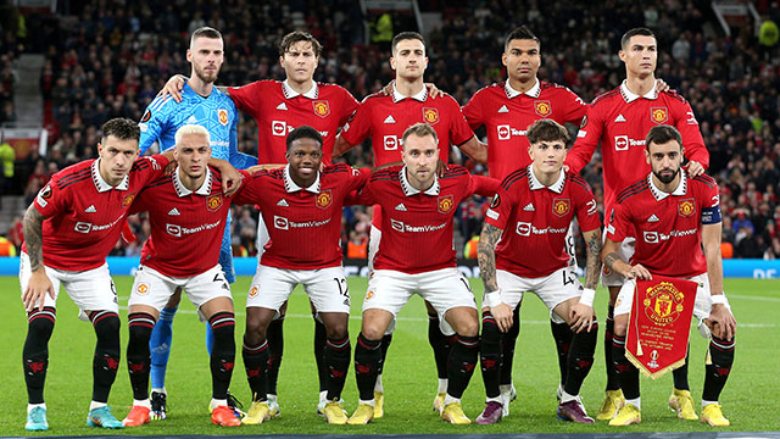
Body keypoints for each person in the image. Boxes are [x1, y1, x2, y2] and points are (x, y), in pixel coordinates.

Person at [161, 31, 360, 414]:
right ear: (282, 59)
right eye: (294, 54)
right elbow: (215, 89)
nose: (301, 60)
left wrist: (335, 152)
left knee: (325, 312)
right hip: (275, 208)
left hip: (321, 208)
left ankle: (327, 397)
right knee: (273, 311)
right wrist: (182, 80)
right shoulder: (263, 92)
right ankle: (268, 398)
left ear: (316, 60)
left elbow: (370, 115)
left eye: (307, 54)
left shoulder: (336, 97)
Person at [333, 31, 487, 416]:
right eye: (405, 53)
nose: (412, 58)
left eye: (418, 52)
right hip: (385, 226)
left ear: (427, 61)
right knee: (379, 322)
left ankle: (444, 391)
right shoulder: (374, 105)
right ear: (393, 62)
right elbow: (336, 148)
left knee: (442, 315)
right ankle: (375, 392)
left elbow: (477, 152)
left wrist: (528, 157)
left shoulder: (445, 104)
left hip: (434, 223)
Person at [564, 27, 710, 420]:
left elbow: (697, 147)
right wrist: (561, 173)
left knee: (675, 306)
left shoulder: (674, 102)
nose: (646, 55)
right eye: (639, 49)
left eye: (652, 49)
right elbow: (581, 152)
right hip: (622, 223)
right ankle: (616, 392)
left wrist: (698, 162)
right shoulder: (604, 106)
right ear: (623, 55)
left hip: (668, 221)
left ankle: (681, 392)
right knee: (618, 310)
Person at [461, 25, 588, 414]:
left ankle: (568, 393)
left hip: (553, 219)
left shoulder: (558, 97)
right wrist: (486, 159)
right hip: (505, 220)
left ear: (540, 58)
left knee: (566, 316)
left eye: (531, 53)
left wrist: (573, 163)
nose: (524, 59)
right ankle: (502, 389)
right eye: (516, 52)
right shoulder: (487, 99)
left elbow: (595, 122)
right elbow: (456, 129)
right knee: (503, 316)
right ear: (505, 58)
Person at [18, 118, 170, 431]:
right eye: (113, 151)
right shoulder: (69, 182)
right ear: (100, 149)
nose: (120, 160)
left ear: (137, 154)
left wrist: (223, 166)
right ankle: (36, 409)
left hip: (91, 265)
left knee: (111, 326)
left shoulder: (142, 170)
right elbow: (32, 217)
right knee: (42, 324)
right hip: (47, 261)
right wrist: (37, 270)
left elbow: (178, 153)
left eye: (128, 153)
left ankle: (98, 409)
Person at [346, 123, 498, 426]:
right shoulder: (382, 182)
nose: (422, 160)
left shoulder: (457, 179)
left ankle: (452, 403)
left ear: (438, 154)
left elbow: (495, 187)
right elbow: (341, 192)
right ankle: (366, 403)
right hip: (392, 271)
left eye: (429, 153)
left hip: (441, 271)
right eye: (415, 153)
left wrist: (532, 186)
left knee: (469, 327)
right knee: (372, 330)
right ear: (402, 155)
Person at [137, 26, 254, 419]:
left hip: (215, 222)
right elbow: (138, 150)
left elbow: (232, 158)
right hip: (174, 218)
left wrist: (271, 169)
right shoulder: (169, 99)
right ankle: (156, 390)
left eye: (217, 52)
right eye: (204, 52)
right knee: (166, 306)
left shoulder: (226, 104)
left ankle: (219, 395)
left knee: (217, 311)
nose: (211, 59)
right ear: (189, 56)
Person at [230, 126, 368, 425]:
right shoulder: (265, 183)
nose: (307, 159)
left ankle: (331, 401)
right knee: (255, 325)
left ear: (322, 158)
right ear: (287, 156)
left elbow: (375, 177)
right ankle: (261, 401)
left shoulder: (339, 177)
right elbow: (228, 183)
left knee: (338, 328)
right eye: (300, 153)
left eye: (314, 154)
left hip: (325, 266)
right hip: (277, 266)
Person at [602, 125, 736, 427]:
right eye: (659, 156)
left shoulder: (704, 187)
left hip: (693, 276)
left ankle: (710, 406)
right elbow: (608, 251)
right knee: (620, 325)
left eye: (672, 155)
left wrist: (718, 301)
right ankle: (632, 406)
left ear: (682, 155)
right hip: (647, 277)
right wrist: (626, 269)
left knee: (725, 327)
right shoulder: (629, 197)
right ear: (647, 157)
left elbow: (712, 247)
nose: (666, 162)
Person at [476, 119, 603, 424]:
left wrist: (588, 298)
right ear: (530, 151)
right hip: (509, 269)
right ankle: (494, 400)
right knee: (492, 325)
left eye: (557, 147)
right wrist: (495, 298)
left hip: (554, 270)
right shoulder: (513, 184)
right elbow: (486, 244)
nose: (550, 153)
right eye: (543, 147)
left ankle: (569, 398)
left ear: (565, 152)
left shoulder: (577, 188)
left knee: (587, 324)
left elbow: (594, 245)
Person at [122, 125, 241, 428]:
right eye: (187, 151)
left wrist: (224, 165)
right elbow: (121, 190)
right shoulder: (156, 186)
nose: (195, 157)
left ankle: (220, 403)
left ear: (210, 153)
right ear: (175, 154)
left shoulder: (225, 183)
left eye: (202, 151)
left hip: (204, 270)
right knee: (139, 329)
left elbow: (265, 175)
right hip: (159, 269)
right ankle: (143, 403)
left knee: (226, 325)